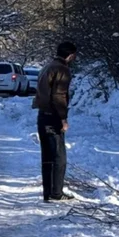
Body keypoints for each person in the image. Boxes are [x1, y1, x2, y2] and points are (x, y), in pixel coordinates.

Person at [33, 41, 76, 202]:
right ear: (70, 55)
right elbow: (59, 95)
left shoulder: (47, 67)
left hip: (42, 115)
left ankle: (47, 192)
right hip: (53, 116)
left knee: (47, 156)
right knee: (59, 156)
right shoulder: (62, 69)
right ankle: (56, 192)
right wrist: (63, 118)